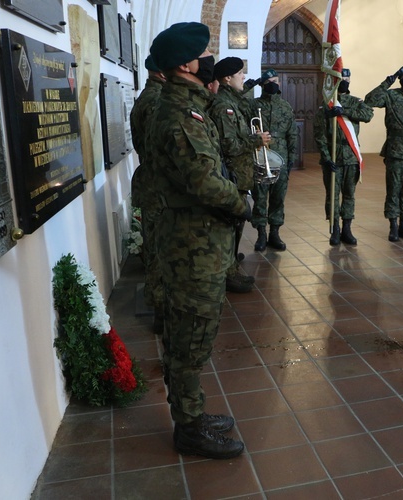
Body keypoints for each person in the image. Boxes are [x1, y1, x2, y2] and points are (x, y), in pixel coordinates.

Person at [147, 22, 251, 459]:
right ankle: (188, 428)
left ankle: (190, 414)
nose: (205, 62)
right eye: (201, 56)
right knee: (190, 342)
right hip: (193, 248)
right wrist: (242, 204)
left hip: (196, 242)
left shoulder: (184, 108)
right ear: (187, 65)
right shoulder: (180, 117)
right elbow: (207, 183)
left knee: (188, 338)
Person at [208, 57, 271, 292]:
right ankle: (229, 273)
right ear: (227, 77)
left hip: (240, 175)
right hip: (232, 176)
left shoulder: (232, 101)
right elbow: (229, 145)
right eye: (240, 73)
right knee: (230, 225)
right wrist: (257, 140)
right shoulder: (224, 106)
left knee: (235, 225)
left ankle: (231, 262)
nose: (243, 77)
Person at [364, 64, 403, 242]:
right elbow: (369, 100)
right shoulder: (391, 95)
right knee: (393, 189)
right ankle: (392, 226)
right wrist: (387, 81)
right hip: (395, 150)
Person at [314, 68, 374, 246]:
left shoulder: (356, 102)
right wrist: (326, 157)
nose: (345, 81)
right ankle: (335, 229)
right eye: (342, 78)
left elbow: (368, 115)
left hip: (351, 156)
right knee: (332, 195)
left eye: (347, 78)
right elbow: (319, 134)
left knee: (349, 194)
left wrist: (344, 112)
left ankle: (347, 228)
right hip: (333, 157)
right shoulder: (327, 104)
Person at [130, 56, 166, 333]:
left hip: (152, 182)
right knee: (159, 250)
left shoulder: (148, 97)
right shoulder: (155, 102)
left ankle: (161, 307)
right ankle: (161, 310)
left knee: (156, 246)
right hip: (157, 186)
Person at [249, 69, 297, 251]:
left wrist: (292, 157)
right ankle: (261, 234)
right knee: (259, 195)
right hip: (260, 154)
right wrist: (252, 84)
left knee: (278, 196)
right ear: (262, 83)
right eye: (268, 81)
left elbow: (292, 134)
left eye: (275, 80)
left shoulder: (285, 106)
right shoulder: (253, 105)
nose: (273, 83)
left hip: (281, 155)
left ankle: (275, 233)